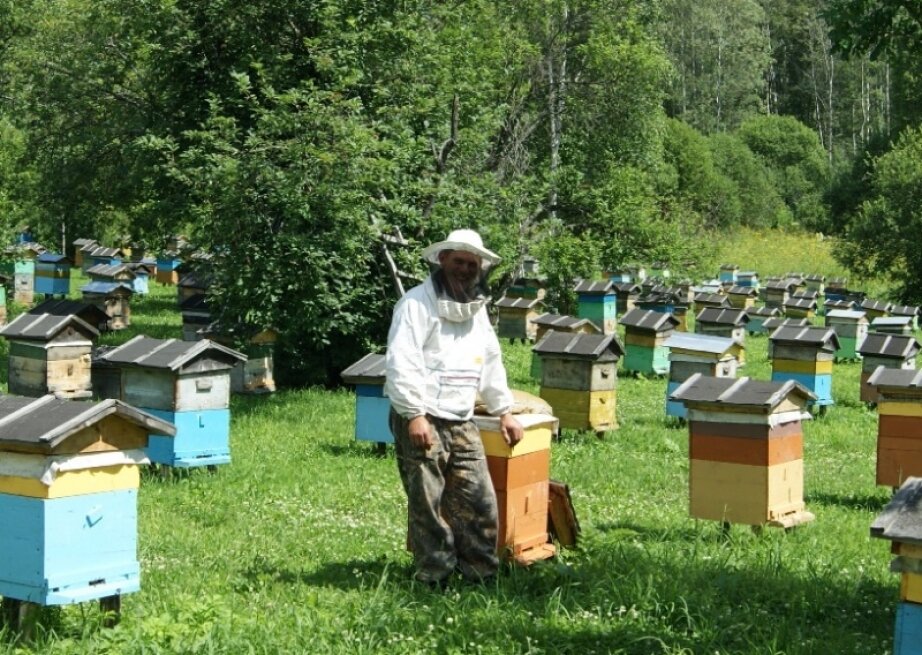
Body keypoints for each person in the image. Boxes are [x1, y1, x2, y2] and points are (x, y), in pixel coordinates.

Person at [385, 228, 524, 585]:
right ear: (442, 260)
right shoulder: (415, 304)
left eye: (471, 264)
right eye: (459, 261)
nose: (465, 269)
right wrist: (415, 414)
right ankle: (434, 577)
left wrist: (503, 411)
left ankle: (480, 575)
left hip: (462, 418)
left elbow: (491, 361)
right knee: (428, 505)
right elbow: (403, 361)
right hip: (423, 417)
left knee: (479, 501)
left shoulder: (476, 310)